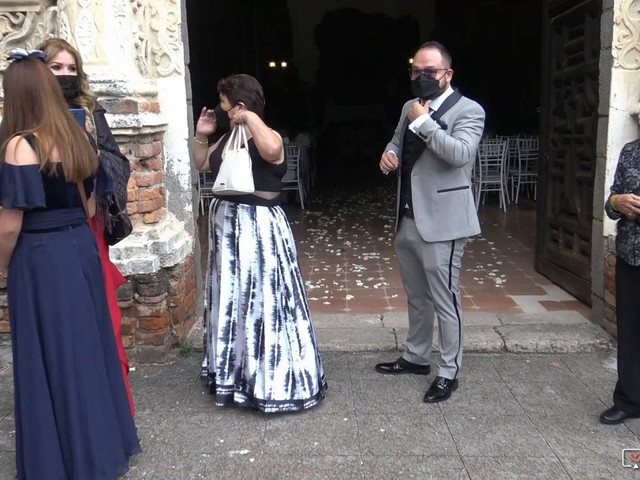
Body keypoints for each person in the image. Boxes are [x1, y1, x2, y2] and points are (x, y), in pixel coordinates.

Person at [0, 50, 140, 479]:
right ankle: (103, 448)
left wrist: (3, 267)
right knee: (88, 350)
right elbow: (93, 202)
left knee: (52, 356)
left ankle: (63, 461)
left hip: (41, 255)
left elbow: (9, 225)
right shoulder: (79, 136)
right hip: (80, 245)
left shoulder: (21, 145)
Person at [192, 74, 327, 413]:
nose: (220, 110)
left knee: (264, 299)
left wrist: (248, 116)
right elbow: (202, 162)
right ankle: (236, 373)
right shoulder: (227, 138)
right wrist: (201, 135)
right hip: (228, 229)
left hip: (259, 226)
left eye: (224, 105)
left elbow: (272, 151)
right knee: (235, 299)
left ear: (239, 106)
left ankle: (271, 375)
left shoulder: (270, 136)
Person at [375, 41, 485, 403]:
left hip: (444, 221)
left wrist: (423, 122)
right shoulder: (408, 106)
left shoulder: (469, 110)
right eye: (416, 71)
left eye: (430, 72)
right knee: (417, 296)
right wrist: (389, 155)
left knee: (445, 299)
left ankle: (449, 372)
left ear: (447, 74)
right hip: (407, 217)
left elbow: (460, 155)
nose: (421, 77)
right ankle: (416, 356)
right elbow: (396, 143)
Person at [38, 37, 135, 414]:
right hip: (43, 230)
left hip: (87, 225)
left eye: (71, 68)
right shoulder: (27, 117)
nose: (65, 75)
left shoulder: (90, 113)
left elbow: (118, 165)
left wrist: (90, 157)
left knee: (101, 316)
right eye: (56, 67)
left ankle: (110, 404)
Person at [600, 138, 640, 425]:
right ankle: (628, 400)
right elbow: (611, 204)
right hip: (630, 257)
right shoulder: (630, 151)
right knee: (629, 333)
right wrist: (616, 202)